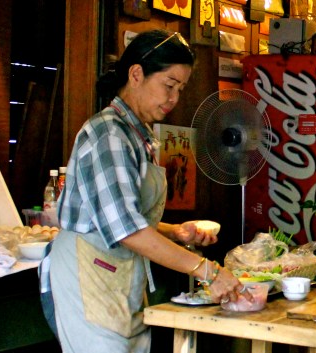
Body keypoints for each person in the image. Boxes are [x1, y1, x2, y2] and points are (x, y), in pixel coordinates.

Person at [43, 30, 247, 353]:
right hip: (88, 279)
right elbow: (127, 230)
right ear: (136, 74)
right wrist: (207, 271)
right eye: (169, 85)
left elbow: (124, 217)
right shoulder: (109, 135)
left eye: (180, 89)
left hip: (119, 281)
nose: (174, 98)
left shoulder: (138, 136)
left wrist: (175, 232)